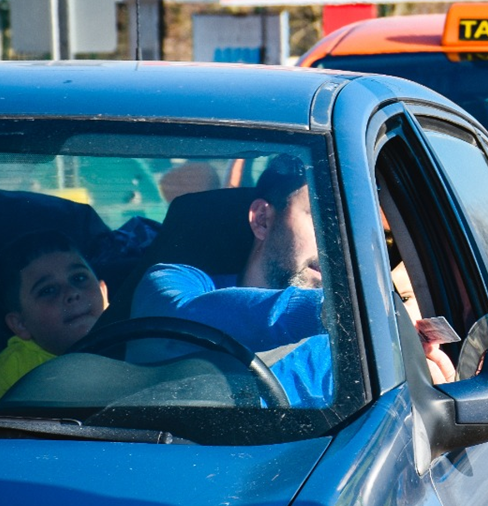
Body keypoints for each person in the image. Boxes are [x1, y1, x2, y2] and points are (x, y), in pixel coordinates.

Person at [132, 157, 454, 398]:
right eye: (319, 217)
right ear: (262, 219)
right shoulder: (174, 281)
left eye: (348, 229)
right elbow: (179, 321)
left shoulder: (359, 351)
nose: (337, 244)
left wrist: (419, 388)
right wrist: (333, 312)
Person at [0, 231, 109, 411]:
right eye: (48, 290)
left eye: (79, 278)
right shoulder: (9, 372)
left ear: (103, 292)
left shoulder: (138, 341)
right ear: (20, 324)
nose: (71, 293)